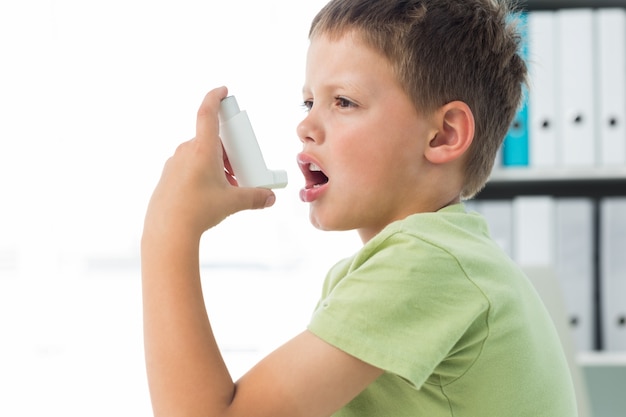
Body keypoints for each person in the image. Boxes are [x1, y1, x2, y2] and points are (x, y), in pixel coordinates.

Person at [141, 0, 578, 416]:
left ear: (444, 135)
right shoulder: (421, 262)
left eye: (343, 102)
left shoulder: (427, 263)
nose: (305, 126)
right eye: (308, 101)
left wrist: (168, 229)